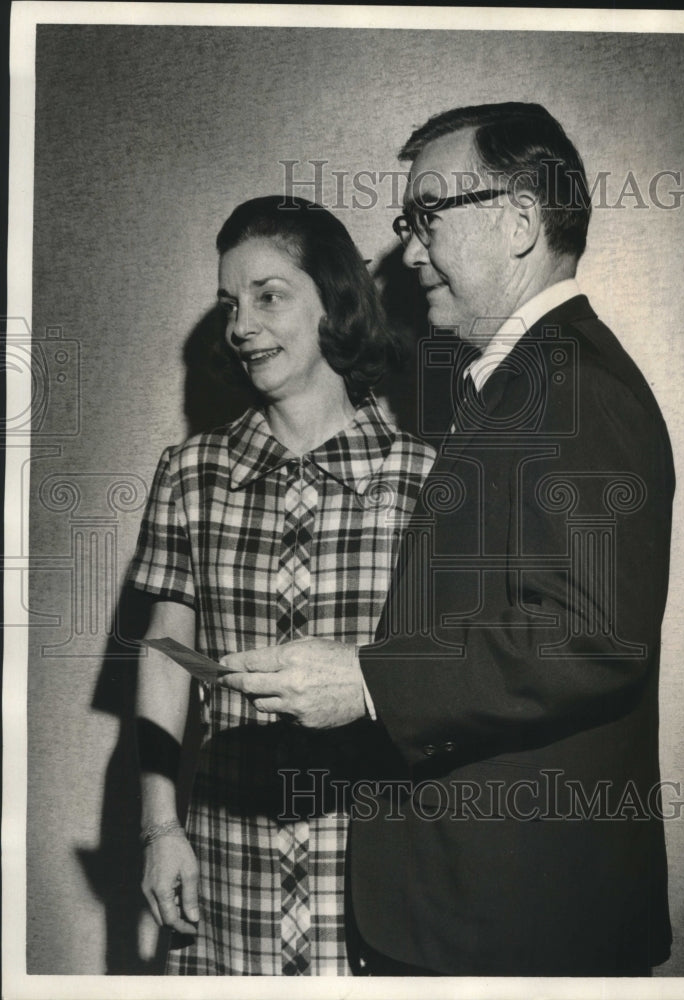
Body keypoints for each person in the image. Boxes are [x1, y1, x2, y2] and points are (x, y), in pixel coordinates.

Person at [220, 103, 675, 976]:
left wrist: (364, 679)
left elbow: (589, 636)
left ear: (517, 221)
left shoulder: (573, 384)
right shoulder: (523, 381)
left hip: (519, 928)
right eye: (408, 222)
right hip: (478, 913)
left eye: (428, 216)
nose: (410, 249)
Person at [128, 195, 434, 975]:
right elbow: (165, 655)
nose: (240, 326)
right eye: (231, 303)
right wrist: (160, 830)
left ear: (334, 301)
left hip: (375, 875)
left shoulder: (426, 480)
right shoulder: (190, 474)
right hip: (228, 869)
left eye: (268, 295)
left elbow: (451, 684)